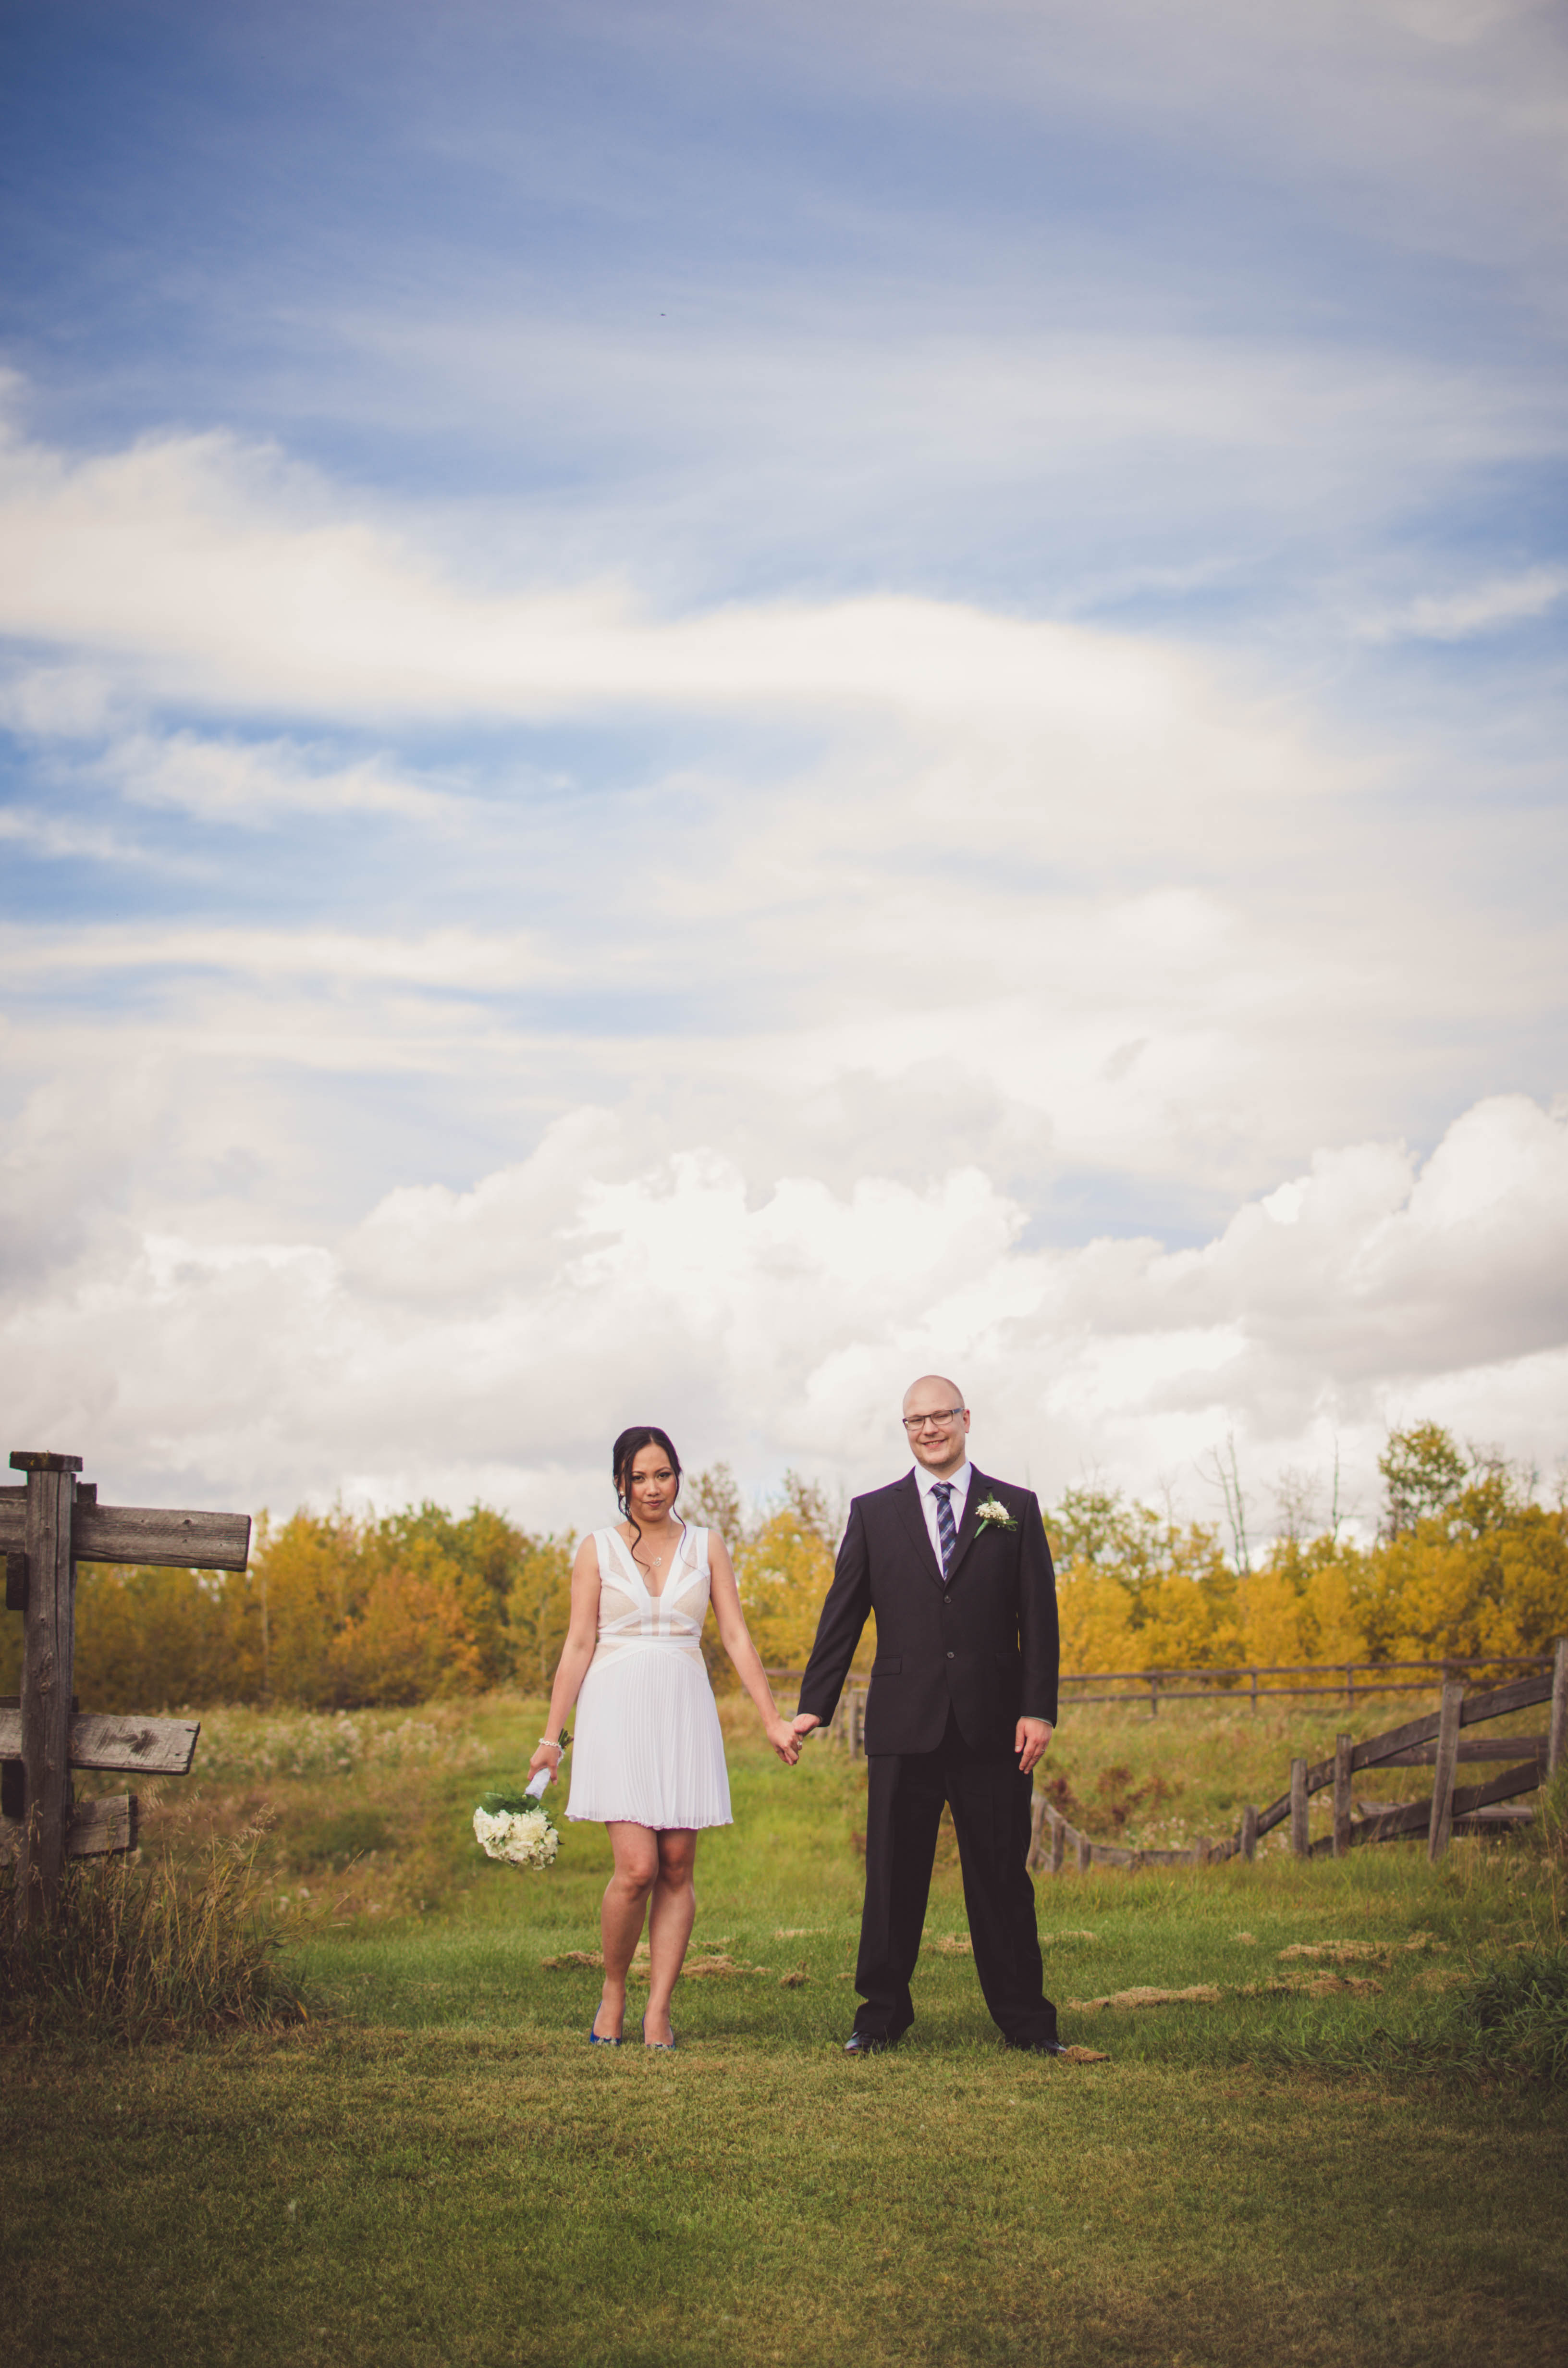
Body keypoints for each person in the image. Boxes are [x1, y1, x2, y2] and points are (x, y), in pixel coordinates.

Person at [792, 1375, 1064, 2056]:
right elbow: (842, 1616)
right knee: (892, 1879)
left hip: (994, 1726)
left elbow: (1040, 1617)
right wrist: (813, 1707)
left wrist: (1038, 1710)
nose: (930, 1429)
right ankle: (878, 2019)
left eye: (941, 1416)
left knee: (1001, 1878)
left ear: (966, 1418)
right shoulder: (873, 1513)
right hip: (903, 1724)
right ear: (906, 1430)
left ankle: (1027, 2024)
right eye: (916, 1420)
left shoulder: (1015, 1508)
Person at [529, 1424, 801, 2049]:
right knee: (637, 1868)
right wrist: (551, 1737)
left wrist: (771, 1719)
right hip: (616, 1712)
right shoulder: (597, 1549)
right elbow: (578, 1644)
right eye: (639, 1477)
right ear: (620, 1483)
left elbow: (735, 1636)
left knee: (676, 1866)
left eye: (663, 1475)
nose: (653, 1488)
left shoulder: (707, 1545)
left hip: (684, 1709)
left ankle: (658, 2011)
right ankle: (613, 1991)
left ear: (678, 1477)